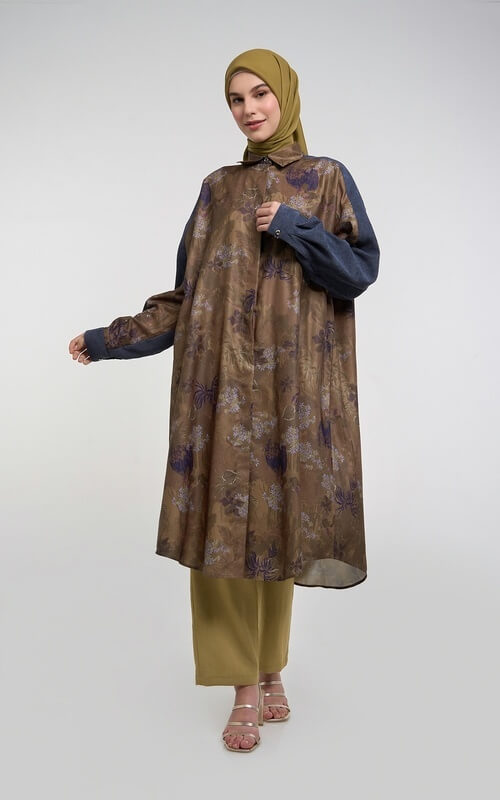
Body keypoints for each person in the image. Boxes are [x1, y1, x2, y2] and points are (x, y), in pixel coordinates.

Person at [68, 47, 380, 753]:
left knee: (280, 532)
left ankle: (270, 668)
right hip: (219, 394)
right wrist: (111, 338)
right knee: (221, 536)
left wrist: (295, 227)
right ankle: (242, 685)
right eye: (236, 99)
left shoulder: (326, 179)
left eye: (260, 93)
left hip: (294, 395)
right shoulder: (216, 189)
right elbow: (187, 296)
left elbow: (358, 272)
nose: (248, 109)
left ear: (286, 95)